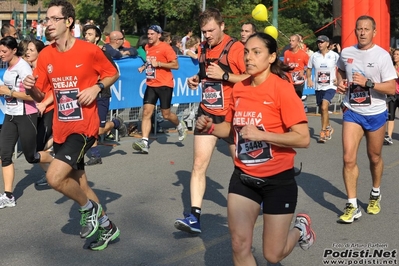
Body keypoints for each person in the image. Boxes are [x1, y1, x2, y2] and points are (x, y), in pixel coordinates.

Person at [196, 32, 315, 264]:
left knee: (273, 254)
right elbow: (230, 129)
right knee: (239, 245)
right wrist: (210, 127)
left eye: (256, 52)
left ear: (271, 58)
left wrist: (263, 135)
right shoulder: (240, 89)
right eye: (247, 52)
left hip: (278, 181)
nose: (249, 58)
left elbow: (303, 139)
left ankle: (301, 229)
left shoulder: (282, 89)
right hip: (244, 177)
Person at [23, 0, 120, 250]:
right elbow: (39, 94)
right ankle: (108, 227)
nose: (49, 23)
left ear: (69, 22)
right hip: (62, 128)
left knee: (55, 178)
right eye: (47, 19)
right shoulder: (46, 54)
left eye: (55, 18)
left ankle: (88, 209)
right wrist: (31, 88)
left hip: (84, 127)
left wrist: (96, 87)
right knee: (81, 184)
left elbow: (113, 73)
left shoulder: (89, 50)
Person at [174, 8, 248, 234]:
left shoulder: (235, 48)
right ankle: (195, 217)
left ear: (222, 26)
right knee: (198, 164)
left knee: (242, 164)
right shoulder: (204, 47)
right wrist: (197, 79)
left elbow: (251, 78)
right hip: (207, 112)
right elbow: (205, 71)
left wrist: (225, 76)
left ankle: (256, 198)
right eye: (204, 31)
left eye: (211, 30)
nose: (207, 35)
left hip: (231, 115)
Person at [336, 15, 396, 223]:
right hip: (353, 111)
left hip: (376, 112)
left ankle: (375, 193)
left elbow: (391, 87)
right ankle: (352, 205)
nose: (362, 32)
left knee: (375, 157)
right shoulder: (346, 53)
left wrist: (369, 83)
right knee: (348, 158)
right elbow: (340, 71)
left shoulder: (382, 56)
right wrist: (341, 83)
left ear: (374, 32)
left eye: (366, 29)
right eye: (359, 29)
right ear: (355, 31)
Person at [132, 25, 187, 154]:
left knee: (166, 114)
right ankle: (144, 142)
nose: (149, 36)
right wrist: (144, 66)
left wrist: (160, 64)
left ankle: (180, 125)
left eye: (152, 34)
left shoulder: (165, 48)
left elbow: (176, 65)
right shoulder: (147, 47)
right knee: (146, 112)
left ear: (159, 35)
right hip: (151, 83)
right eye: (148, 34)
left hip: (165, 84)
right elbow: (151, 61)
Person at [0, 36, 40, 208]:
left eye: (4, 51)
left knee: (31, 157)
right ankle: (8, 195)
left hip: (26, 114)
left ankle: (57, 161)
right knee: (5, 154)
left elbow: (33, 96)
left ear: (14, 50)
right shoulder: (8, 66)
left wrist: (8, 92)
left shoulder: (23, 68)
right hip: (10, 115)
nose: (1, 54)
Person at [83, 24, 127, 166]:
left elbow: (114, 73)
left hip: (101, 94)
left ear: (97, 38)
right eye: (85, 34)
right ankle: (95, 155)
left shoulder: (103, 53)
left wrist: (100, 84)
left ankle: (116, 122)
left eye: (90, 34)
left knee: (99, 129)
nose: (86, 37)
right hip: (86, 95)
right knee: (89, 127)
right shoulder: (82, 53)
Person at [306, 35, 339, 143]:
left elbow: (343, 68)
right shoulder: (314, 56)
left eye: (322, 42)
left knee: (325, 107)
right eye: (318, 42)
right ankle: (328, 126)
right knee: (322, 110)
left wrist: (339, 80)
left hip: (330, 86)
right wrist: (309, 80)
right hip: (319, 86)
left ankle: (323, 132)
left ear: (327, 43)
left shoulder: (334, 55)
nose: (320, 44)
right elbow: (309, 69)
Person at [284, 34, 309, 99]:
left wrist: (303, 70)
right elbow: (285, 65)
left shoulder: (303, 54)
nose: (290, 42)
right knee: (289, 99)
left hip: (299, 80)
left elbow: (309, 66)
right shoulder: (286, 53)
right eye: (290, 41)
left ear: (297, 42)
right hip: (289, 80)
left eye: (293, 41)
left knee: (297, 98)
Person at [383, 48, 399, 145]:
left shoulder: (394, 68)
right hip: (392, 94)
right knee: (391, 116)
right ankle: (389, 136)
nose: (395, 56)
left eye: (397, 54)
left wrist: (394, 70)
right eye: (394, 54)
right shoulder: (391, 66)